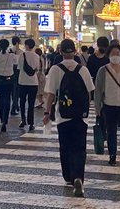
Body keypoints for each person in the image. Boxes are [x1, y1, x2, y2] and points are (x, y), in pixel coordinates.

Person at [43, 39, 94, 198]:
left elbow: (50, 94)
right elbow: (90, 93)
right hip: (81, 116)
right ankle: (78, 176)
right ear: (74, 52)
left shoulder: (55, 70)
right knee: (80, 147)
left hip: (63, 116)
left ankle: (68, 176)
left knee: (65, 146)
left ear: (61, 52)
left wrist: (47, 112)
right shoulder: (83, 70)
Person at [0, 38, 18, 132]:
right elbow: (17, 62)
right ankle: (5, 120)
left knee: (1, 100)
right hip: (9, 79)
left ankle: (2, 120)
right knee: (7, 99)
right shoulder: (11, 55)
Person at [17, 38, 41, 130]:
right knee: (31, 104)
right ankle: (31, 123)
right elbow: (37, 69)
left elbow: (19, 68)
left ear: (26, 45)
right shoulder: (36, 56)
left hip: (22, 81)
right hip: (33, 82)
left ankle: (23, 120)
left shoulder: (21, 55)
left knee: (22, 102)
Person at [10, 36, 22, 116]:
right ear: (17, 42)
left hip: (9, 72)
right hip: (17, 72)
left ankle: (16, 106)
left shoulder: (9, 50)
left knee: (12, 91)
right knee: (16, 91)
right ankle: (14, 108)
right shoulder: (21, 52)